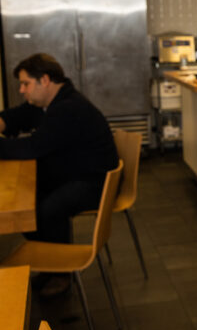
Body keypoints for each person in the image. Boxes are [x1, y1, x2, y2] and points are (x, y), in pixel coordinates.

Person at [0, 54, 118, 293]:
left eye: (25, 84)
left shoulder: (67, 109)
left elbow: (32, 147)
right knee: (32, 201)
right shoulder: (52, 102)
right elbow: (20, 115)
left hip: (95, 183)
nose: (22, 90)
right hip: (77, 171)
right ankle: (52, 264)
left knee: (44, 210)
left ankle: (61, 274)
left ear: (44, 80)